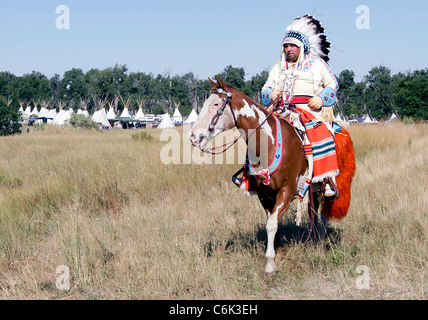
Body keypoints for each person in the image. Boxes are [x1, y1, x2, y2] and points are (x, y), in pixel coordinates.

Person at [233, 15, 339, 199]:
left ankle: (327, 180)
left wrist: (321, 99)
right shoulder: (279, 66)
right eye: (285, 46)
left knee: (321, 133)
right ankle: (249, 177)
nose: (288, 49)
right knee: (257, 135)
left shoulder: (317, 64)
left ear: (302, 47)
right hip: (281, 111)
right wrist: (272, 94)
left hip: (308, 111)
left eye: (292, 46)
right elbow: (265, 89)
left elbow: (332, 85)